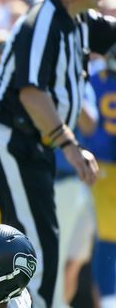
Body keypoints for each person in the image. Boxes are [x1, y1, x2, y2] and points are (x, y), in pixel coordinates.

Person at [0, 0, 116, 308]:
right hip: (11, 138)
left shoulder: (77, 19)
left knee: (42, 242)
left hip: (33, 143)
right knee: (28, 246)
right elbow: (31, 94)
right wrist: (70, 145)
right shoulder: (44, 21)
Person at [79, 52, 116, 308]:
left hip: (100, 166)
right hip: (101, 168)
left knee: (107, 240)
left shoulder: (92, 78)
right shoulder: (92, 78)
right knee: (107, 240)